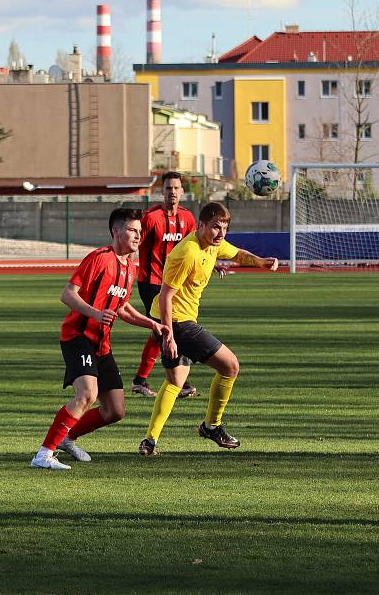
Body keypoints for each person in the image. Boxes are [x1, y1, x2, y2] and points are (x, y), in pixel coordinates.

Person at [30, 208, 170, 470]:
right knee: (87, 395)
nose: (138, 236)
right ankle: (43, 454)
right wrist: (95, 313)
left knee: (115, 410)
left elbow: (122, 308)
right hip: (78, 336)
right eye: (132, 230)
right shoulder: (98, 258)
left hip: (101, 344)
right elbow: (68, 294)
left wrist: (151, 323)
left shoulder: (130, 267)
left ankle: (68, 438)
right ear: (116, 231)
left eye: (140, 232)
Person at [139, 202, 278, 457]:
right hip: (179, 323)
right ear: (200, 225)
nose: (221, 233)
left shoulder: (213, 244)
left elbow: (236, 254)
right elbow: (166, 296)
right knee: (230, 366)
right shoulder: (187, 252)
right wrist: (169, 335)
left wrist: (259, 262)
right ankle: (211, 426)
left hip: (174, 321)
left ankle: (150, 440)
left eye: (224, 227)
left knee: (176, 381)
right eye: (215, 227)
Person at [131, 172, 198, 399]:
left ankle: (140, 380)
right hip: (150, 282)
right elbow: (134, 246)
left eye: (176, 188)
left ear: (182, 191)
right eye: (168, 188)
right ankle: (180, 380)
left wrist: (213, 264)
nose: (172, 192)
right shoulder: (150, 218)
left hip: (173, 284)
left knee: (158, 332)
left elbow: (195, 247)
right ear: (163, 191)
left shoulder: (188, 219)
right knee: (167, 329)